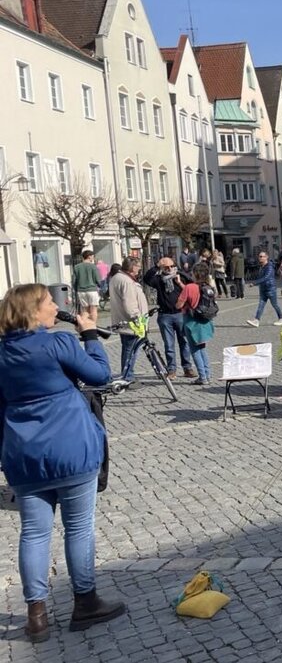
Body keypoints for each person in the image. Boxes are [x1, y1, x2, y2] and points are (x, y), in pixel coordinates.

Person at [0, 284, 126, 641]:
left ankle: (36, 614)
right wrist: (89, 335)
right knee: (78, 527)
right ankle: (85, 602)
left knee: (34, 533)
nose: (57, 306)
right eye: (49, 302)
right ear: (32, 311)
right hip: (71, 448)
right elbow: (100, 376)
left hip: (24, 456)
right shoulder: (59, 343)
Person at [143, 257, 195, 379]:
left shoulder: (180, 277)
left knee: (184, 342)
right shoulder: (158, 279)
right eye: (166, 267)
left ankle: (187, 368)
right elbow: (146, 279)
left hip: (181, 314)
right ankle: (171, 370)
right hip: (165, 315)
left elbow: (191, 285)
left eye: (171, 266)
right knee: (169, 345)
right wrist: (156, 266)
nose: (169, 269)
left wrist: (179, 279)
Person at [175, 261, 215, 386]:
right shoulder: (208, 287)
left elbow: (179, 304)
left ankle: (202, 377)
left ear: (195, 274)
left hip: (192, 321)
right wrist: (181, 284)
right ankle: (207, 374)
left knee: (195, 350)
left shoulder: (189, 287)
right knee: (202, 348)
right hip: (205, 320)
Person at [109, 258, 148, 381]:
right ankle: (127, 376)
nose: (139, 269)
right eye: (138, 266)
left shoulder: (116, 278)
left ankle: (127, 374)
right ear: (132, 267)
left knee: (128, 349)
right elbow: (129, 305)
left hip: (122, 321)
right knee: (130, 350)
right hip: (131, 323)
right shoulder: (126, 281)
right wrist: (137, 318)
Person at [246, 250, 282, 326]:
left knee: (275, 304)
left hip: (270, 288)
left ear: (266, 257)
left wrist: (254, 283)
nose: (259, 258)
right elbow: (261, 277)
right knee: (261, 305)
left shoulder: (269, 267)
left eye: (261, 256)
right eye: (259, 256)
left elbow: (266, 277)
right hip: (263, 289)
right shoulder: (262, 267)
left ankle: (281, 319)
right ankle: (256, 320)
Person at [73, 249, 102, 324]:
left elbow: (74, 281)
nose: (93, 258)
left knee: (85, 310)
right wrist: (100, 286)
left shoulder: (76, 267)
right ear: (89, 257)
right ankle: (93, 326)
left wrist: (76, 290)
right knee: (93, 310)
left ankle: (83, 325)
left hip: (81, 291)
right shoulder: (93, 267)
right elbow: (97, 279)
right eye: (92, 256)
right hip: (92, 290)